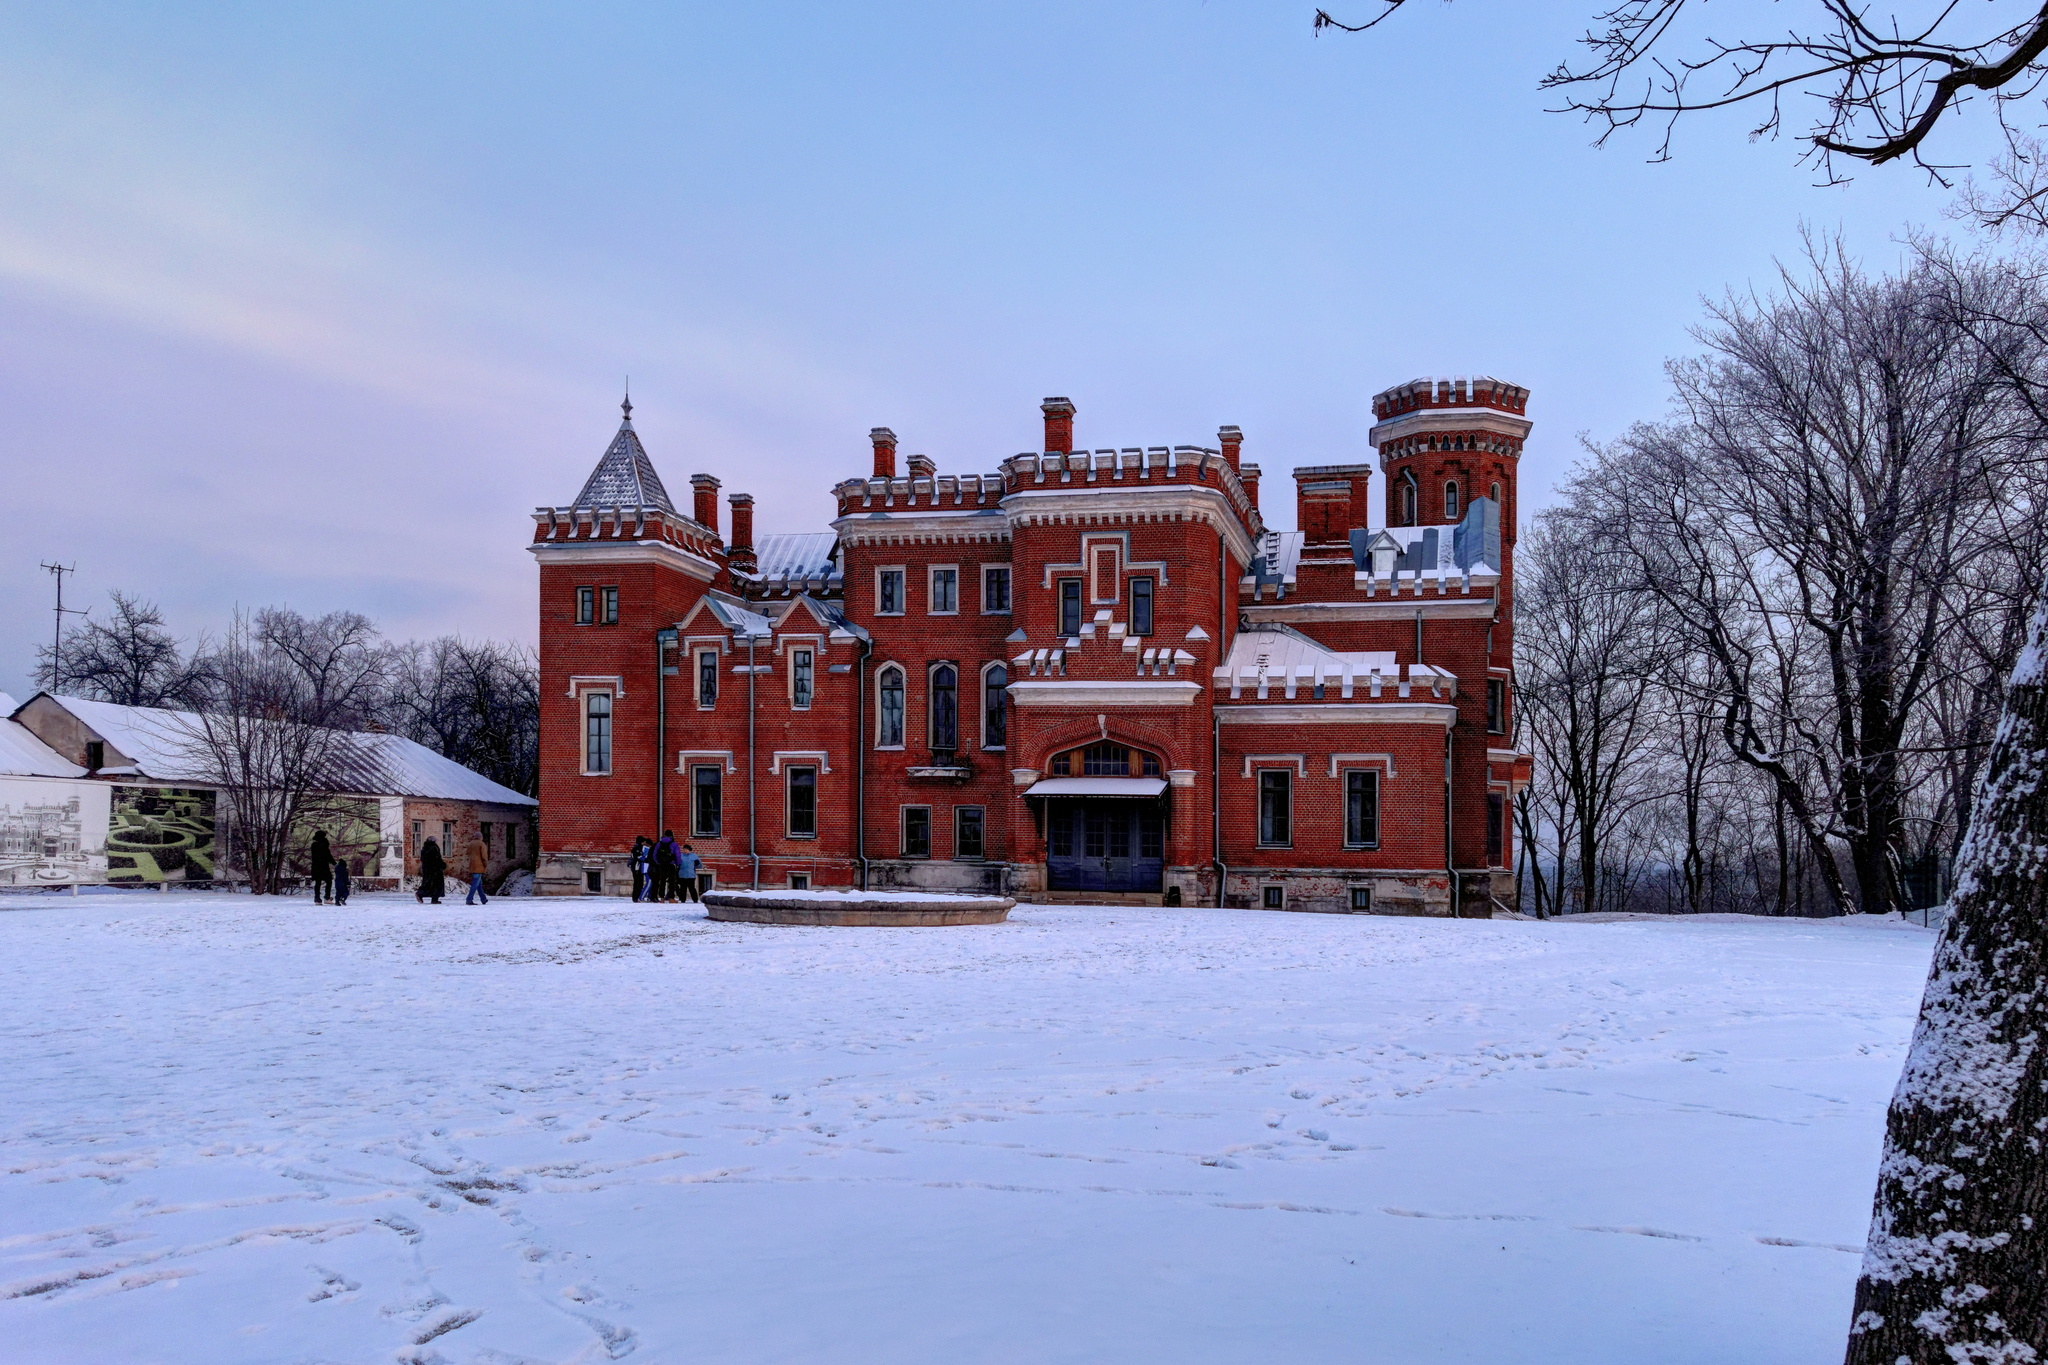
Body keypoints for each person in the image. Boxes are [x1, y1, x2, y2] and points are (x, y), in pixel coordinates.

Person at [650, 830, 680, 903]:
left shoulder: (659, 843)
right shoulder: (674, 844)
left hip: (662, 864)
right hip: (671, 864)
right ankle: (671, 898)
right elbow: (677, 855)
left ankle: (662, 898)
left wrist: (658, 862)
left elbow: (654, 855)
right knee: (672, 881)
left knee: (662, 881)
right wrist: (678, 864)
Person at [417, 837, 446, 904]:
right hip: (435, 869)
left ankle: (423, 895)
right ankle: (432, 898)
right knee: (437, 884)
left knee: (428, 883)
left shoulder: (425, 848)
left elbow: (423, 859)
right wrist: (442, 865)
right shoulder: (434, 848)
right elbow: (437, 858)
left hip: (427, 869)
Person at [465, 834, 491, 905]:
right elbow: (484, 857)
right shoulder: (481, 844)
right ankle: (469, 899)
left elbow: (467, 853)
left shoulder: (470, 844)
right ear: (481, 837)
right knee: (475, 884)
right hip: (479, 866)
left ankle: (483, 899)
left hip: (472, 866)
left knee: (479, 884)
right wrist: (485, 865)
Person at [309, 830, 333, 905]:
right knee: (328, 880)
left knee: (318, 882)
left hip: (317, 866)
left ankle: (318, 899)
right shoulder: (323, 845)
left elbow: (327, 855)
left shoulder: (315, 845)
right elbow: (328, 855)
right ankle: (326, 897)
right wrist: (335, 863)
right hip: (323, 866)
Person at [629, 835, 651, 902]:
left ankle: (637, 896)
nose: (644, 843)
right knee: (637, 882)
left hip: (638, 867)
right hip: (636, 867)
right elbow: (639, 857)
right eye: (643, 842)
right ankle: (635, 897)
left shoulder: (638, 847)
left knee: (639, 882)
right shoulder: (637, 848)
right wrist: (647, 860)